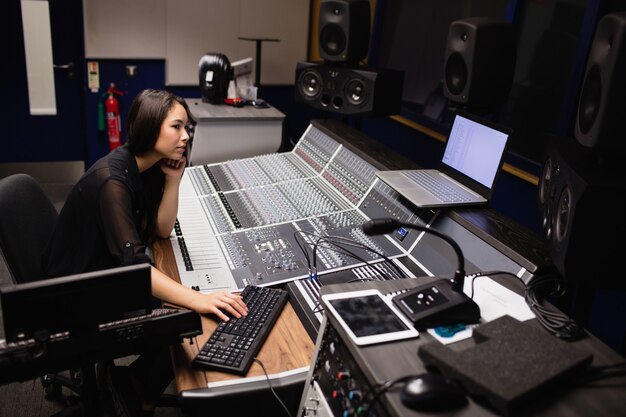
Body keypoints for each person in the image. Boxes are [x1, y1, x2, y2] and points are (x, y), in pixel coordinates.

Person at [42, 89, 248, 417]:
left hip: (104, 272)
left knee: (180, 308)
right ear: (150, 127)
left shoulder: (148, 167)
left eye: (187, 128)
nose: (185, 136)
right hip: (76, 293)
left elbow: (162, 229)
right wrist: (199, 299)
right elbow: (135, 268)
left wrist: (175, 179)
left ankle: (134, 384)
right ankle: (141, 397)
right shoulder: (112, 180)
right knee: (183, 316)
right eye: (177, 127)